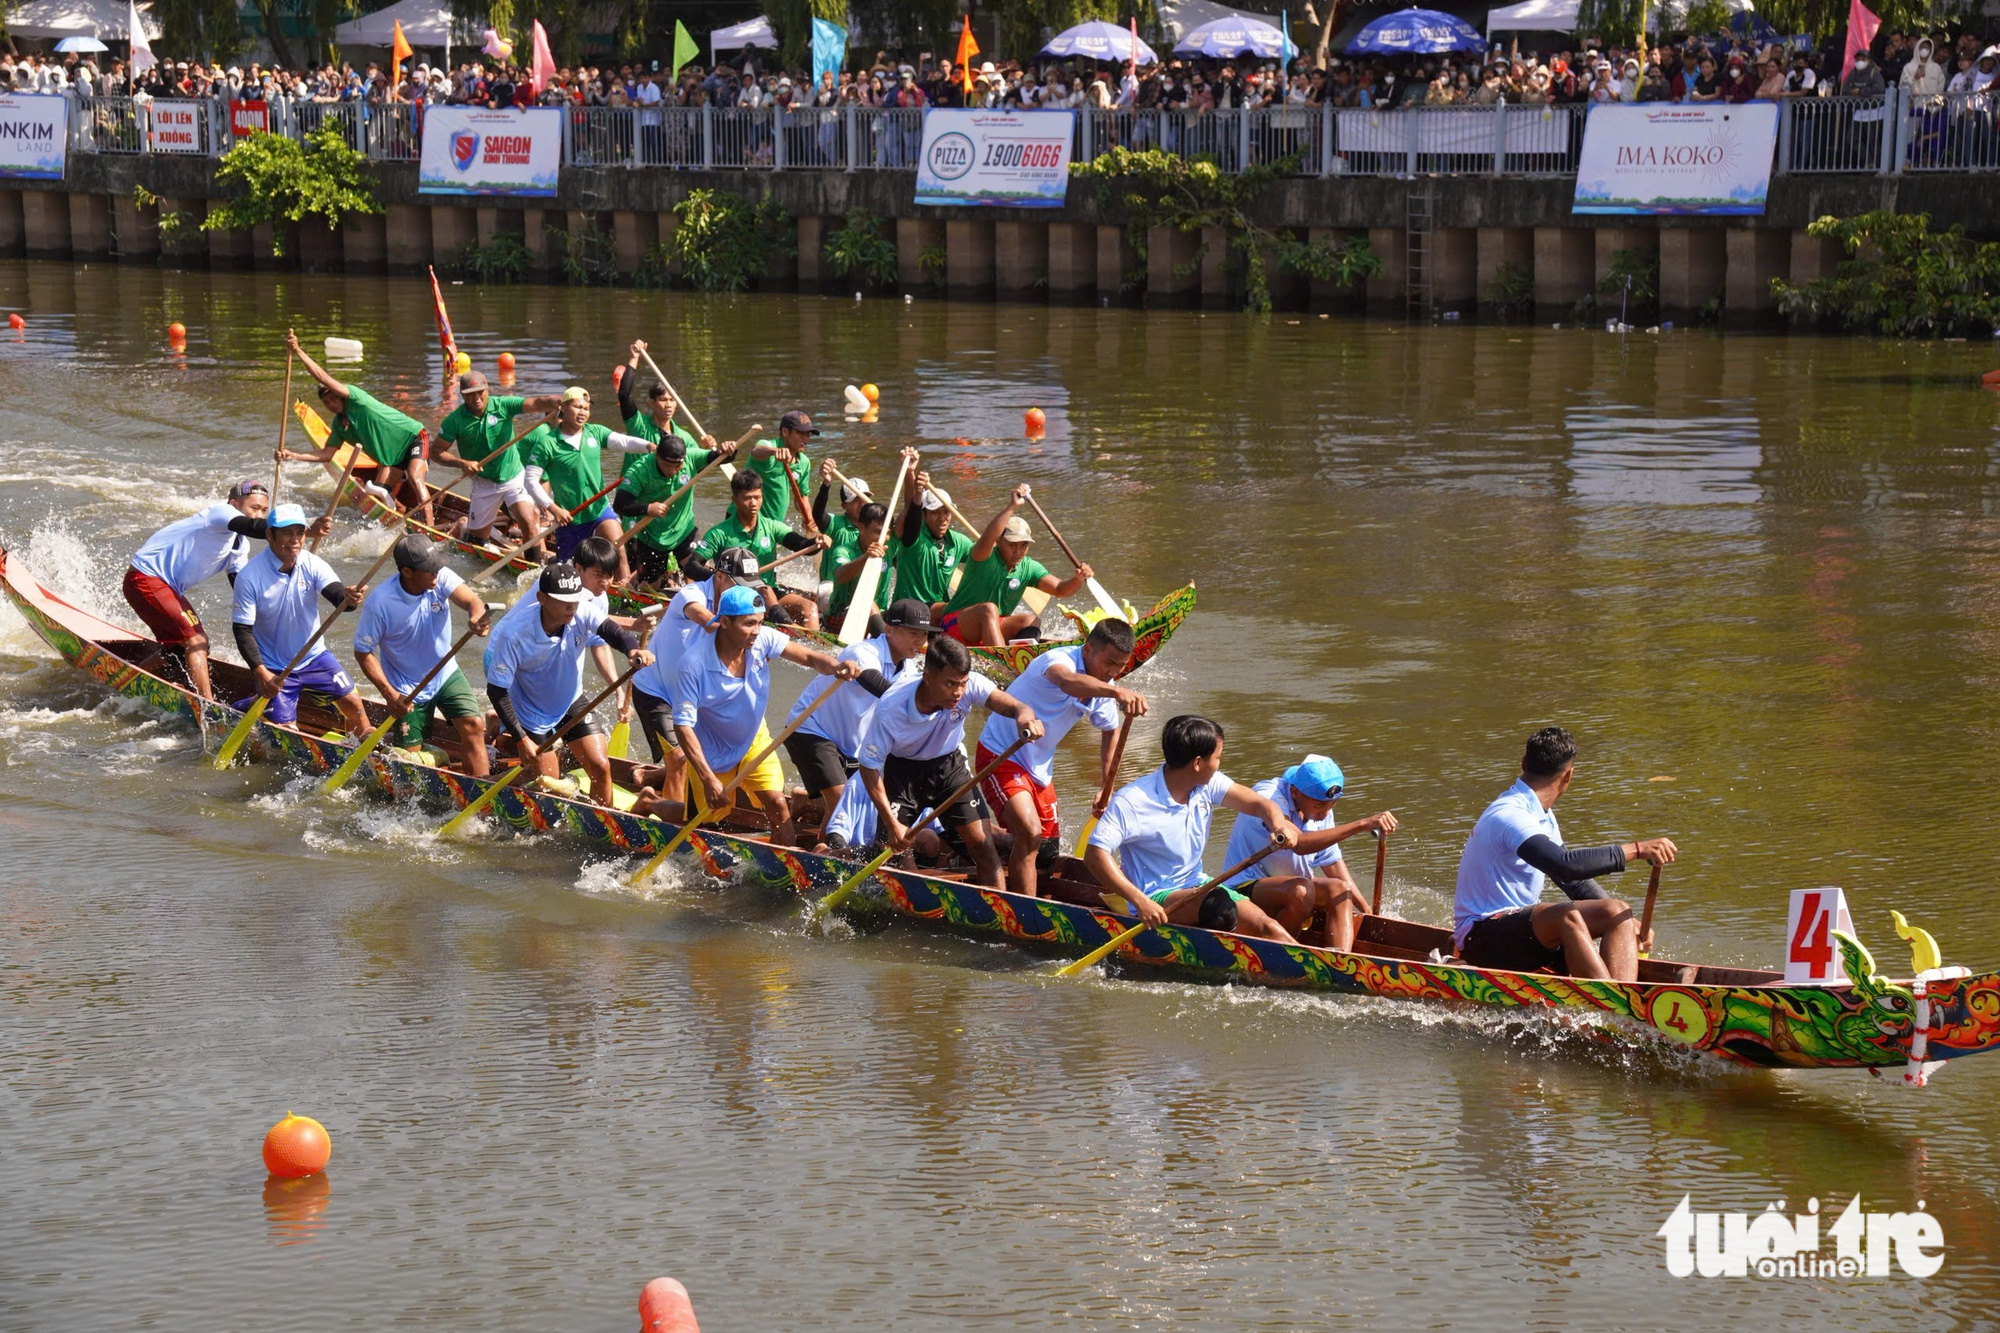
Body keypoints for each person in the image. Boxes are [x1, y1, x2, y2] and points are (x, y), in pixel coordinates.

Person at [1452, 726, 1676, 981]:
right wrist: (1636, 850)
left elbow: (1573, 881)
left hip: (1515, 934)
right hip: (1479, 938)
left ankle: (1626, 998)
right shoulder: (1509, 815)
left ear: (1524, 763)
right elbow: (1564, 865)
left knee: (1617, 910)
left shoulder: (1542, 815)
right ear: (1569, 776)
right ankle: (1612, 1006)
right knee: (1565, 916)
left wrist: (1625, 923)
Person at [663, 584, 858, 843]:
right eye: (748, 624)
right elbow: (683, 727)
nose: (756, 631)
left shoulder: (762, 639)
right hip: (712, 754)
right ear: (724, 623)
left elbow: (809, 657)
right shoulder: (693, 665)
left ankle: (786, 868)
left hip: (754, 741)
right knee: (704, 821)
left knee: (778, 803)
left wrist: (836, 666)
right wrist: (707, 778)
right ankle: (651, 804)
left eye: (759, 622)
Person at [1085, 715, 1302, 942]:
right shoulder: (1132, 801)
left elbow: (1260, 804)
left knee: (1269, 928)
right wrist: (1139, 901)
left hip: (1197, 885)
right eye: (1217, 757)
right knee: (1218, 907)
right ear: (1198, 763)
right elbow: (1095, 855)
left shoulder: (1207, 784)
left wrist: (1279, 825)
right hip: (1154, 898)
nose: (1219, 764)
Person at [855, 634, 1044, 888]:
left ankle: (1001, 910)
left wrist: (1024, 718)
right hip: (903, 772)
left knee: (983, 844)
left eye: (963, 684)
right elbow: (869, 768)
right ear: (928, 677)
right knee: (898, 849)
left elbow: (1018, 707)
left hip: (949, 767)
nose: (959, 692)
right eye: (951, 684)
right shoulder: (892, 707)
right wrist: (891, 824)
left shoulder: (970, 686)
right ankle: (910, 898)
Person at [976, 617, 1145, 899]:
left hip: (1039, 767)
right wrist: (1117, 691)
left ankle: (980, 833)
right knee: (1030, 834)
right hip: (1001, 753)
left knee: (1045, 853)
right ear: (1088, 650)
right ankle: (1023, 913)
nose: (1113, 672)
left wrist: (1106, 785)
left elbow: (1110, 730)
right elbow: (1067, 682)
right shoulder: (1057, 660)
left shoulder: (1104, 685)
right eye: (1110, 662)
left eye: (1121, 666)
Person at [123, 478, 323, 699]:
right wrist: (305, 530)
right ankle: (207, 705)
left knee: (180, 651)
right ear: (234, 504)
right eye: (254, 508)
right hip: (146, 578)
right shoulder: (219, 514)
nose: (259, 515)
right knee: (196, 641)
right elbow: (252, 527)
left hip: (167, 588)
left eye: (264, 510)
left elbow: (244, 587)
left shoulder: (239, 545)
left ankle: (128, 678)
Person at [482, 562, 653, 807]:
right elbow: (496, 691)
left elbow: (612, 632)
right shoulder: (514, 633)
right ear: (542, 598)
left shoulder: (581, 611)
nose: (572, 607)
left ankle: (604, 824)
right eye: (564, 602)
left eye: (575, 600)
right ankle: (489, 785)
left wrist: (633, 649)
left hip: (571, 700)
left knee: (601, 766)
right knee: (548, 783)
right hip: (532, 711)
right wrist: (521, 739)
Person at [782, 597, 936, 836]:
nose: (920, 641)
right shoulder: (863, 651)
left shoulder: (908, 669)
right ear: (890, 629)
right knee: (841, 802)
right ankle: (824, 859)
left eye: (924, 634)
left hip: (853, 743)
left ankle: (807, 801)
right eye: (912, 633)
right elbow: (877, 685)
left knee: (861, 806)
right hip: (810, 729)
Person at [626, 547, 763, 806]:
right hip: (656, 692)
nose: (746, 592)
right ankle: (658, 813)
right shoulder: (691, 595)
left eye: (751, 586)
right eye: (740, 584)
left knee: (708, 755)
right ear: (720, 576)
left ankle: (650, 778)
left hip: (693, 694)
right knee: (679, 756)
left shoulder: (743, 604)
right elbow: (710, 623)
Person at [350, 535, 495, 774]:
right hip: (406, 687)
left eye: (437, 566)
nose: (436, 574)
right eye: (429, 570)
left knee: (474, 725)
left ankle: (481, 792)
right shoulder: (381, 602)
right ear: (407, 572)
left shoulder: (440, 577)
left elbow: (473, 601)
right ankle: (390, 748)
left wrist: (477, 618)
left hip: (445, 674)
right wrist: (389, 694)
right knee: (408, 765)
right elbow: (363, 652)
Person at [1220, 755, 1398, 950]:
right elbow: (1300, 844)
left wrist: (1366, 910)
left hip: (1289, 891)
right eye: (1320, 806)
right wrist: (1362, 824)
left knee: (1340, 890)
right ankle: (1279, 956)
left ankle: (1341, 962)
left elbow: (1332, 862)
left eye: (1332, 804)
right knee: (1301, 891)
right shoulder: (1270, 795)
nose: (1325, 813)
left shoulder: (1320, 807)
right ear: (1295, 792)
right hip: (1242, 890)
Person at [228, 502, 371, 737]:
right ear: (269, 535)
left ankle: (361, 753)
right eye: (287, 533)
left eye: (300, 533)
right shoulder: (249, 576)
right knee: (287, 732)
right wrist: (262, 673)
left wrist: (349, 597)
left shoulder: (311, 563)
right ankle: (250, 705)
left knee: (355, 706)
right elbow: (242, 630)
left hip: (314, 658)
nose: (295, 540)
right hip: (275, 667)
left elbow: (339, 598)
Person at [280, 329, 433, 522]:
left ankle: (430, 527)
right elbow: (327, 454)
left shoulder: (356, 398)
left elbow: (322, 377)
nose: (330, 405)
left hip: (414, 437)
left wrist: (299, 351)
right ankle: (401, 513)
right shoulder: (338, 425)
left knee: (414, 476)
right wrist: (293, 455)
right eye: (326, 402)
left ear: (341, 395)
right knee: (376, 498)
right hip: (392, 461)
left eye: (333, 399)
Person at [521, 386, 655, 578]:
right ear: (563, 407)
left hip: (599, 510)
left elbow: (623, 442)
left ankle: (626, 590)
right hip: (570, 517)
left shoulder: (595, 432)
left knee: (619, 548)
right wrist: (554, 509)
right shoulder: (547, 443)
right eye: (577, 407)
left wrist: (648, 446)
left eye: (586, 408)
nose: (583, 412)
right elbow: (530, 480)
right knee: (569, 573)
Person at [939, 484, 1091, 646]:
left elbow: (1060, 589)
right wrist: (1012, 506)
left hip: (990, 625)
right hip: (954, 626)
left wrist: (1078, 579)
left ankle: (1022, 653)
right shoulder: (983, 556)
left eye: (1024, 545)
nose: (1018, 551)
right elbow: (988, 536)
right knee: (989, 609)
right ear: (999, 541)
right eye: (1012, 545)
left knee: (1031, 620)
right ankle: (1002, 659)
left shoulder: (1028, 567)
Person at [432, 371, 561, 555]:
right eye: (471, 394)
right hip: (484, 483)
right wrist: (462, 463)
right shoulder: (454, 421)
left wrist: (555, 402)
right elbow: (437, 453)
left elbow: (534, 404)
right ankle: (464, 526)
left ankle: (533, 571)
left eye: (480, 392)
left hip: (514, 476)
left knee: (529, 519)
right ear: (462, 395)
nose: (477, 398)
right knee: (477, 541)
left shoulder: (503, 405)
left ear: (487, 390)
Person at [692, 470, 829, 628]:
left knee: (809, 608)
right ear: (734, 500)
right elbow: (692, 566)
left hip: (767, 590)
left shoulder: (772, 527)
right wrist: (722, 577)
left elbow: (803, 546)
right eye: (747, 498)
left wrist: (817, 542)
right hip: (736, 594)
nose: (753, 504)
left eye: (757, 497)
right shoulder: (719, 533)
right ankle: (790, 631)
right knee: (767, 598)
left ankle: (808, 645)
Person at [612, 414, 734, 590]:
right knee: (650, 586)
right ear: (657, 457)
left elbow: (721, 458)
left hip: (684, 530)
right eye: (669, 466)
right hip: (651, 536)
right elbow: (620, 505)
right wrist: (648, 508)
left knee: (697, 571)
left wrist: (728, 450)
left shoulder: (691, 457)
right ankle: (639, 582)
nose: (675, 471)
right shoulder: (639, 470)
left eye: (679, 466)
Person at [888, 468, 973, 612]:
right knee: (958, 607)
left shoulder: (958, 542)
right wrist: (915, 485)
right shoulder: (913, 537)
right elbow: (911, 512)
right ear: (923, 515)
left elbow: (983, 555)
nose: (942, 518)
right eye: (934, 513)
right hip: (907, 609)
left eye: (946, 512)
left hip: (939, 609)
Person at [745, 410, 818, 528]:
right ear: (785, 431)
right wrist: (775, 452)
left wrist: (809, 520)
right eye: (800, 433)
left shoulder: (804, 463)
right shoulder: (769, 447)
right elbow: (756, 451)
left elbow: (802, 497)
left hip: (772, 527)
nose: (805, 438)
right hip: (745, 521)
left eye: (808, 434)